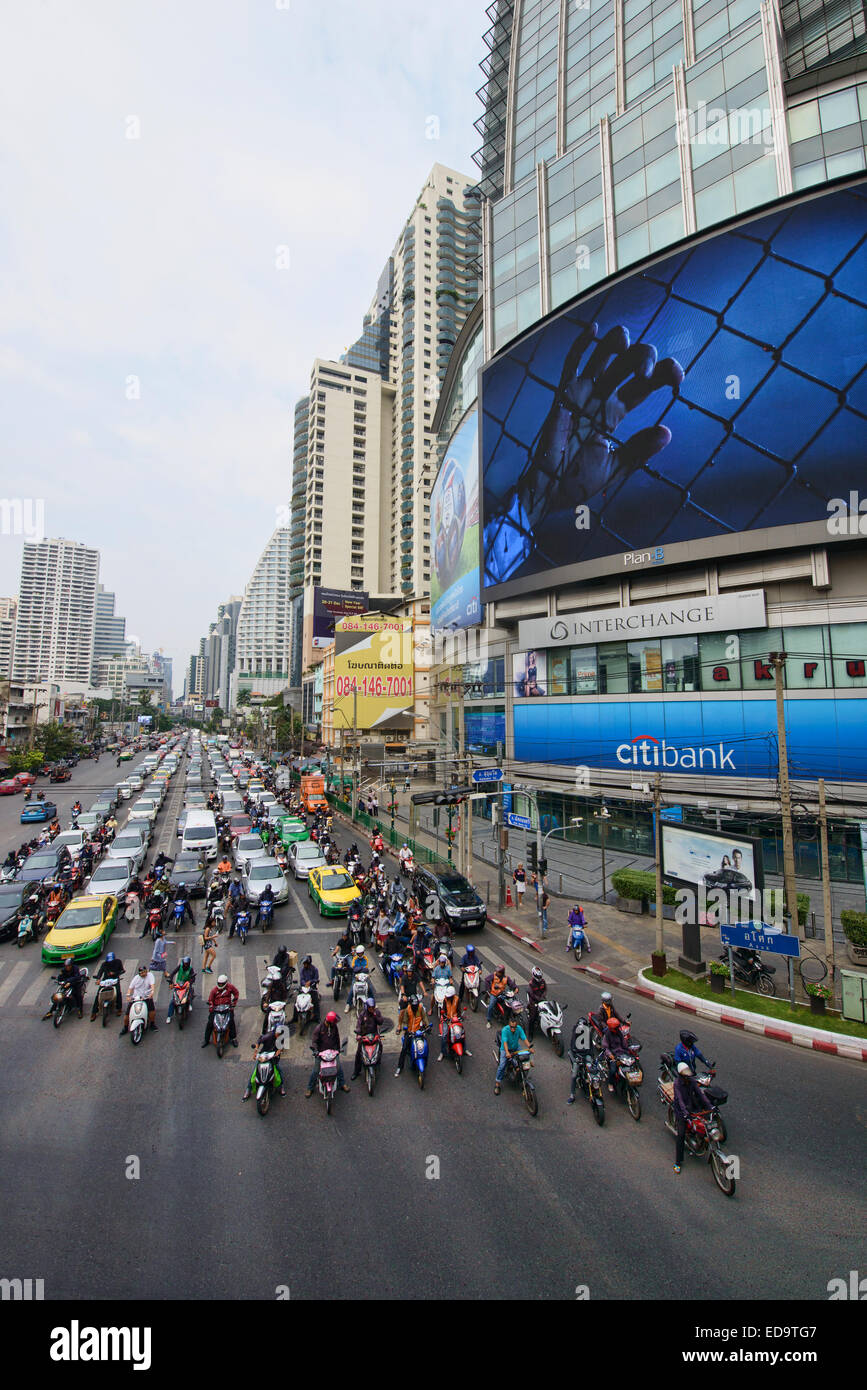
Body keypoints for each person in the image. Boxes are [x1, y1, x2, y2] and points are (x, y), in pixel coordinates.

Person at [673, 1062, 711, 1173]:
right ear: (681, 1075)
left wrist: (710, 1106)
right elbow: (679, 1100)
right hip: (681, 1111)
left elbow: (700, 1094)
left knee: (705, 1122)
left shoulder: (692, 1081)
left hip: (692, 1106)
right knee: (680, 1136)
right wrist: (685, 1114)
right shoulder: (677, 1084)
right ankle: (678, 1162)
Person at [306, 1011, 349, 1096]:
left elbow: (337, 1038)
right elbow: (314, 1041)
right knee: (316, 1071)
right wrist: (315, 1051)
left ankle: (342, 1083)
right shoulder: (319, 1028)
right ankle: (310, 1088)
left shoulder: (334, 1027)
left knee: (339, 1068)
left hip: (332, 1052)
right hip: (321, 1053)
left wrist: (338, 1049)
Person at [243, 1024, 286, 1101]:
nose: (278, 1035)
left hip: (273, 1056)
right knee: (255, 1072)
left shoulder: (281, 1038)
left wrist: (279, 1051)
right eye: (277, 1033)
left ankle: (281, 1087)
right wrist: (256, 1051)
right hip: (264, 1055)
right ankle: (248, 1089)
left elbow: (282, 1047)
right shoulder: (268, 1036)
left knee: (279, 1071)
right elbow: (259, 1041)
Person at [494, 1014, 533, 1095]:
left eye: (514, 1027)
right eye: (511, 1027)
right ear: (509, 1025)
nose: (513, 1029)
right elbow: (504, 1042)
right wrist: (507, 1052)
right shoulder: (505, 1030)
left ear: (517, 1025)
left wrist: (529, 1047)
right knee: (502, 1065)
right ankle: (497, 1084)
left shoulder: (519, 1029)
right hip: (506, 1049)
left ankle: (522, 1077)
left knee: (524, 1060)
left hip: (515, 1047)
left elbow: (524, 1038)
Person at [351, 997, 387, 1079]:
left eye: (373, 1007)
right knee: (358, 1053)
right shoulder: (362, 1014)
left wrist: (375, 1016)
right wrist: (358, 1034)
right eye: (370, 1008)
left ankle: (377, 1062)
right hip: (364, 1036)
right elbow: (358, 1025)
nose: (371, 1009)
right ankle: (356, 1071)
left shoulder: (376, 1012)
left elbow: (381, 1021)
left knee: (380, 1046)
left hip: (374, 1035)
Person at [394, 993, 429, 1077]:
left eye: (416, 1005)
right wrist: (406, 1028)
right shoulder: (407, 1010)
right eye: (414, 1005)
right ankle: (399, 1067)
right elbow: (405, 1022)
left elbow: (425, 1018)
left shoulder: (420, 1008)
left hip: (418, 1032)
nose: (415, 1007)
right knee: (404, 1048)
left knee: (425, 1045)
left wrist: (427, 1026)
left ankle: (425, 1061)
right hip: (410, 1032)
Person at [202, 973, 239, 1048]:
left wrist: (233, 1003)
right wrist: (211, 1006)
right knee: (210, 1023)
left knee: (231, 1021)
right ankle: (206, 1040)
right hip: (216, 1009)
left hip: (227, 1008)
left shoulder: (230, 987)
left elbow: (236, 993)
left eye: (222, 984)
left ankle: (233, 1038)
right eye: (219, 984)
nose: (221, 985)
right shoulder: (214, 990)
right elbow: (210, 999)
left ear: (226, 983)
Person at [437, 984, 470, 1060]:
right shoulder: (445, 1000)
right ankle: (442, 1052)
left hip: (455, 1020)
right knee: (444, 1035)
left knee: (462, 1033)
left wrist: (459, 1017)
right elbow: (444, 1011)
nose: (448, 997)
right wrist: (445, 1018)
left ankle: (465, 1049)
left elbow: (459, 1011)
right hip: (447, 1020)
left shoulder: (457, 999)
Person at [120, 965, 157, 1034]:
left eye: (145, 972)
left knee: (152, 1011)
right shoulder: (136, 978)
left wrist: (152, 992)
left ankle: (152, 1024)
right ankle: (125, 1027)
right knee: (127, 1015)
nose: (144, 974)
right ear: (139, 973)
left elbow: (152, 985)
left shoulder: (150, 975)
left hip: (146, 997)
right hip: (136, 998)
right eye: (142, 973)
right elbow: (130, 988)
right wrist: (128, 996)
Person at [91, 953, 125, 1019]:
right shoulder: (104, 964)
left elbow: (122, 970)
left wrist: (115, 973)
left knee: (118, 993)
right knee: (98, 994)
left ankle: (119, 1009)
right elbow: (100, 972)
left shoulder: (118, 962)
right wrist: (98, 979)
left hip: (115, 980)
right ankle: (94, 1012)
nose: (110, 963)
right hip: (105, 980)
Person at [166, 955, 196, 1022]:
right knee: (173, 1001)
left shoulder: (191, 969)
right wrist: (170, 982)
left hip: (186, 985)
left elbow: (193, 978)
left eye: (186, 964)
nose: (185, 965)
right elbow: (173, 973)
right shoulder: (180, 966)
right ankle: (169, 1016)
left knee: (190, 992)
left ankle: (190, 1004)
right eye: (184, 963)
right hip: (179, 984)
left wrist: (190, 983)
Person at [345, 943, 374, 1013]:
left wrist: (359, 969)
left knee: (369, 988)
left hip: (364, 976)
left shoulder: (366, 959)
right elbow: (354, 969)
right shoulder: (354, 959)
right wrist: (361, 968)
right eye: (359, 953)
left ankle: (373, 1002)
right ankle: (348, 1004)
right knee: (352, 989)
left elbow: (366, 970)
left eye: (361, 953)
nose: (360, 954)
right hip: (356, 976)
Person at [600, 1016, 624, 1092]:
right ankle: (610, 1083)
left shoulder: (619, 1033)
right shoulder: (607, 1035)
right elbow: (605, 1047)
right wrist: (610, 1054)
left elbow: (623, 1042)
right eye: (616, 1027)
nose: (618, 1028)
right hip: (612, 1055)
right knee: (613, 1070)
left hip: (620, 1053)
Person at [294, 954, 321, 1023]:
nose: (304, 965)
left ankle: (317, 1017)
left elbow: (316, 979)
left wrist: (310, 982)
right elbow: (302, 979)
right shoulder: (302, 970)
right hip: (304, 988)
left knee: (315, 1001)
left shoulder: (314, 969)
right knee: (296, 1001)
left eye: (305, 963)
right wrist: (304, 984)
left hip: (312, 988)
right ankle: (295, 1018)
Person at [526, 965, 547, 1040]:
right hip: (534, 1001)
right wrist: (538, 999)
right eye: (538, 976)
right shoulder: (531, 984)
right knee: (532, 1017)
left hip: (542, 999)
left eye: (540, 976)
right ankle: (530, 1034)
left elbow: (545, 990)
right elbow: (531, 994)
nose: (539, 978)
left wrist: (543, 996)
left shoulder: (543, 982)